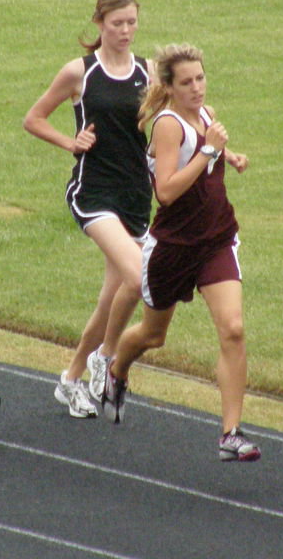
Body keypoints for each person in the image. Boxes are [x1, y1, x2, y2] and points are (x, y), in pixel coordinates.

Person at [100, 43, 260, 462]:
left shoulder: (204, 115)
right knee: (153, 335)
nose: (197, 88)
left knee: (234, 329)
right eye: (186, 82)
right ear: (168, 88)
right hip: (173, 247)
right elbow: (167, 191)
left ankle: (230, 433)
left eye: (201, 78)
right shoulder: (168, 125)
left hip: (215, 239)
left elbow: (209, 151)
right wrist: (209, 150)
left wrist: (229, 154)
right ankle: (116, 370)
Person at [23, 0, 152, 419]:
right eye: (117, 24)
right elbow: (34, 118)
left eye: (132, 22)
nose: (126, 31)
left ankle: (71, 379)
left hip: (136, 195)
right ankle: (106, 358)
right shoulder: (80, 72)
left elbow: (178, 124)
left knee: (111, 298)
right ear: (99, 24)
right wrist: (70, 143)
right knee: (137, 279)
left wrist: (220, 153)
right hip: (93, 193)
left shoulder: (149, 73)